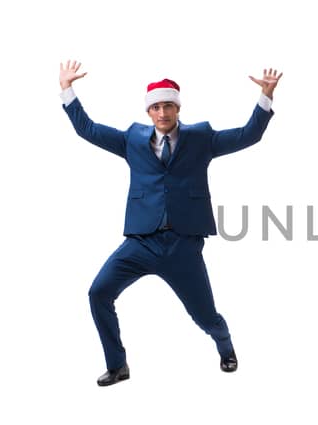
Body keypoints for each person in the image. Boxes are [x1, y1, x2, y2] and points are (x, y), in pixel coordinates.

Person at [56, 60, 279, 386]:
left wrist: (265, 96)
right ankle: (118, 365)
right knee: (98, 293)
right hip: (140, 242)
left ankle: (226, 346)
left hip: (183, 246)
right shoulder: (131, 139)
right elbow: (86, 129)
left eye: (168, 106)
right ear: (149, 112)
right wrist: (67, 89)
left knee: (205, 316)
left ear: (178, 108)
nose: (162, 112)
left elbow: (249, 135)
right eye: (156, 107)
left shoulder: (201, 138)